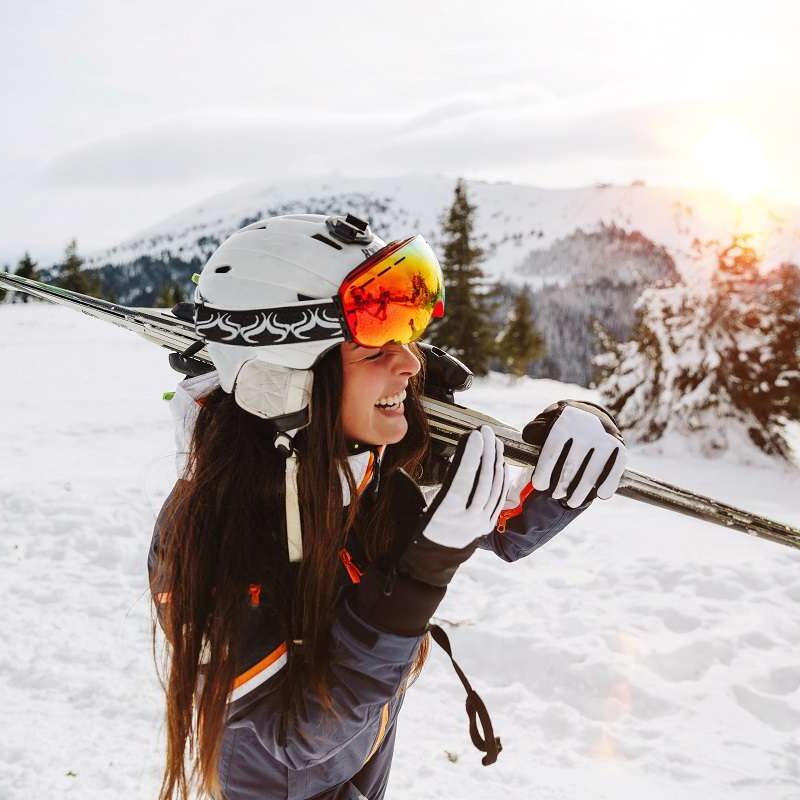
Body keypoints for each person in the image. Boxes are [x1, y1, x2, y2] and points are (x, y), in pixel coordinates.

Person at [148, 213, 628, 800]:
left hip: (364, 754)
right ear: (286, 378)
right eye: (374, 350)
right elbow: (294, 733)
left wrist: (570, 452)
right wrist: (417, 580)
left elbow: (500, 520)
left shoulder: (365, 457)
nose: (412, 364)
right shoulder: (203, 535)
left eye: (405, 339)